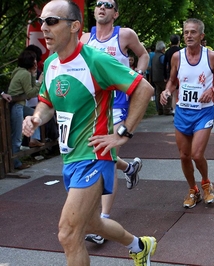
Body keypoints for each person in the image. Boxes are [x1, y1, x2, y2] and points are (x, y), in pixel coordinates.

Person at [22, 1, 156, 265]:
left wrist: (123, 133)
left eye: (52, 22)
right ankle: (140, 245)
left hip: (94, 156)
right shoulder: (50, 64)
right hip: (70, 158)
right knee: (93, 223)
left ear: (74, 27)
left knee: (69, 233)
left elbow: (144, 89)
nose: (44, 28)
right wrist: (36, 118)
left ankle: (139, 246)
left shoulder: (95, 61)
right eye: (41, 22)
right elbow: (47, 103)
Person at [80, 0, 148, 245]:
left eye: (108, 5)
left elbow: (144, 55)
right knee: (95, 149)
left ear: (115, 13)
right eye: (99, 4)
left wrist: (138, 74)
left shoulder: (125, 35)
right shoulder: (85, 38)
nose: (102, 7)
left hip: (118, 102)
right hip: (93, 104)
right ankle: (130, 168)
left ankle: (103, 221)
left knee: (105, 155)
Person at [160, 18, 214, 208]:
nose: (189, 35)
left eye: (193, 32)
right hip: (183, 112)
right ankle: (193, 190)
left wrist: (212, 90)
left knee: (197, 154)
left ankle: (206, 184)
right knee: (184, 155)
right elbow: (172, 81)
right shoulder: (177, 57)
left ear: (201, 35)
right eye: (186, 32)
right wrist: (167, 91)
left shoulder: (211, 56)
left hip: (203, 113)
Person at [8, 49, 44, 170]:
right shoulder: (24, 74)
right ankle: (15, 163)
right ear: (30, 61)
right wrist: (40, 82)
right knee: (17, 136)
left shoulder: (19, 71)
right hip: (17, 106)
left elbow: (29, 88)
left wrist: (34, 76)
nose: (36, 62)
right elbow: (30, 93)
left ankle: (34, 139)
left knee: (36, 114)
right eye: (34, 59)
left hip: (18, 105)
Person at [151, 40, 172, 115]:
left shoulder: (154, 57)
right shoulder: (162, 57)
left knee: (158, 94)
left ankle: (160, 110)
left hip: (155, 78)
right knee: (167, 93)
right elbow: (166, 66)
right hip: (162, 78)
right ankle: (167, 109)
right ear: (163, 48)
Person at [163, 34, 181, 115]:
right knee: (179, 91)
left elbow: (164, 64)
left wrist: (165, 76)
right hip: (180, 73)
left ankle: (174, 108)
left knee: (173, 92)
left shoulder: (167, 52)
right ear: (178, 42)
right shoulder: (181, 51)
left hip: (170, 73)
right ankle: (179, 108)